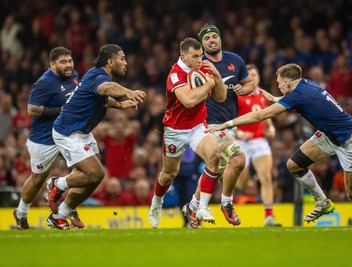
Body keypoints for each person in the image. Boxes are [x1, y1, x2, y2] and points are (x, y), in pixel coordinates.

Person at [207, 63, 352, 227]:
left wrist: (226, 124)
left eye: (280, 82)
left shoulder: (298, 95)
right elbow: (300, 100)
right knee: (294, 165)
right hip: (329, 135)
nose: (278, 86)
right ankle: (322, 202)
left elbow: (260, 116)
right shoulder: (306, 84)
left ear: (288, 83)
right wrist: (275, 99)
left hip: (350, 140)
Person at [46, 44, 146, 230]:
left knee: (95, 178)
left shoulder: (95, 76)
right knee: (95, 173)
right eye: (122, 58)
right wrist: (128, 92)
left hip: (82, 133)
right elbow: (106, 88)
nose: (126, 63)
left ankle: (61, 214)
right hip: (68, 132)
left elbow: (102, 97)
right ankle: (56, 183)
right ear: (110, 61)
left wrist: (120, 105)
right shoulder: (100, 77)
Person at [148, 37, 226, 229]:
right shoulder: (175, 74)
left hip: (198, 126)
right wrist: (208, 84)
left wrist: (216, 76)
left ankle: (200, 207)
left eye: (201, 55)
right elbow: (189, 101)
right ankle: (156, 203)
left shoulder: (203, 68)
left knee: (214, 156)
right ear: (183, 56)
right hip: (175, 130)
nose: (200, 59)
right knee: (168, 173)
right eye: (195, 56)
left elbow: (222, 97)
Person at [183, 24, 255, 227]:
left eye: (214, 36)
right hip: (208, 125)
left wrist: (245, 88)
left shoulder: (235, 60)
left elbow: (250, 83)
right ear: (202, 44)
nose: (211, 40)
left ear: (220, 39)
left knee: (213, 170)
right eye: (207, 39)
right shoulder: (198, 64)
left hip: (229, 124)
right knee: (239, 160)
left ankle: (192, 208)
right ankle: (227, 203)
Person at [13, 47, 84, 230]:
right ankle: (21, 213)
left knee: (85, 167)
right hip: (43, 139)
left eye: (69, 61)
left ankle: (67, 207)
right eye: (63, 62)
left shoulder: (74, 75)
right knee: (38, 179)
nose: (68, 65)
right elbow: (32, 110)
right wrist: (60, 111)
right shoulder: (44, 83)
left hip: (67, 134)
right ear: (52, 65)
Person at [235, 64, 281, 227]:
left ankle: (269, 216)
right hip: (240, 142)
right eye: (250, 75)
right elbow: (227, 120)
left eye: (255, 75)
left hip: (259, 140)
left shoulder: (263, 95)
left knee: (266, 177)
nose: (253, 78)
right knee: (242, 184)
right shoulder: (238, 95)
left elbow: (265, 114)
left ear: (259, 77)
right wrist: (239, 134)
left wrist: (271, 128)